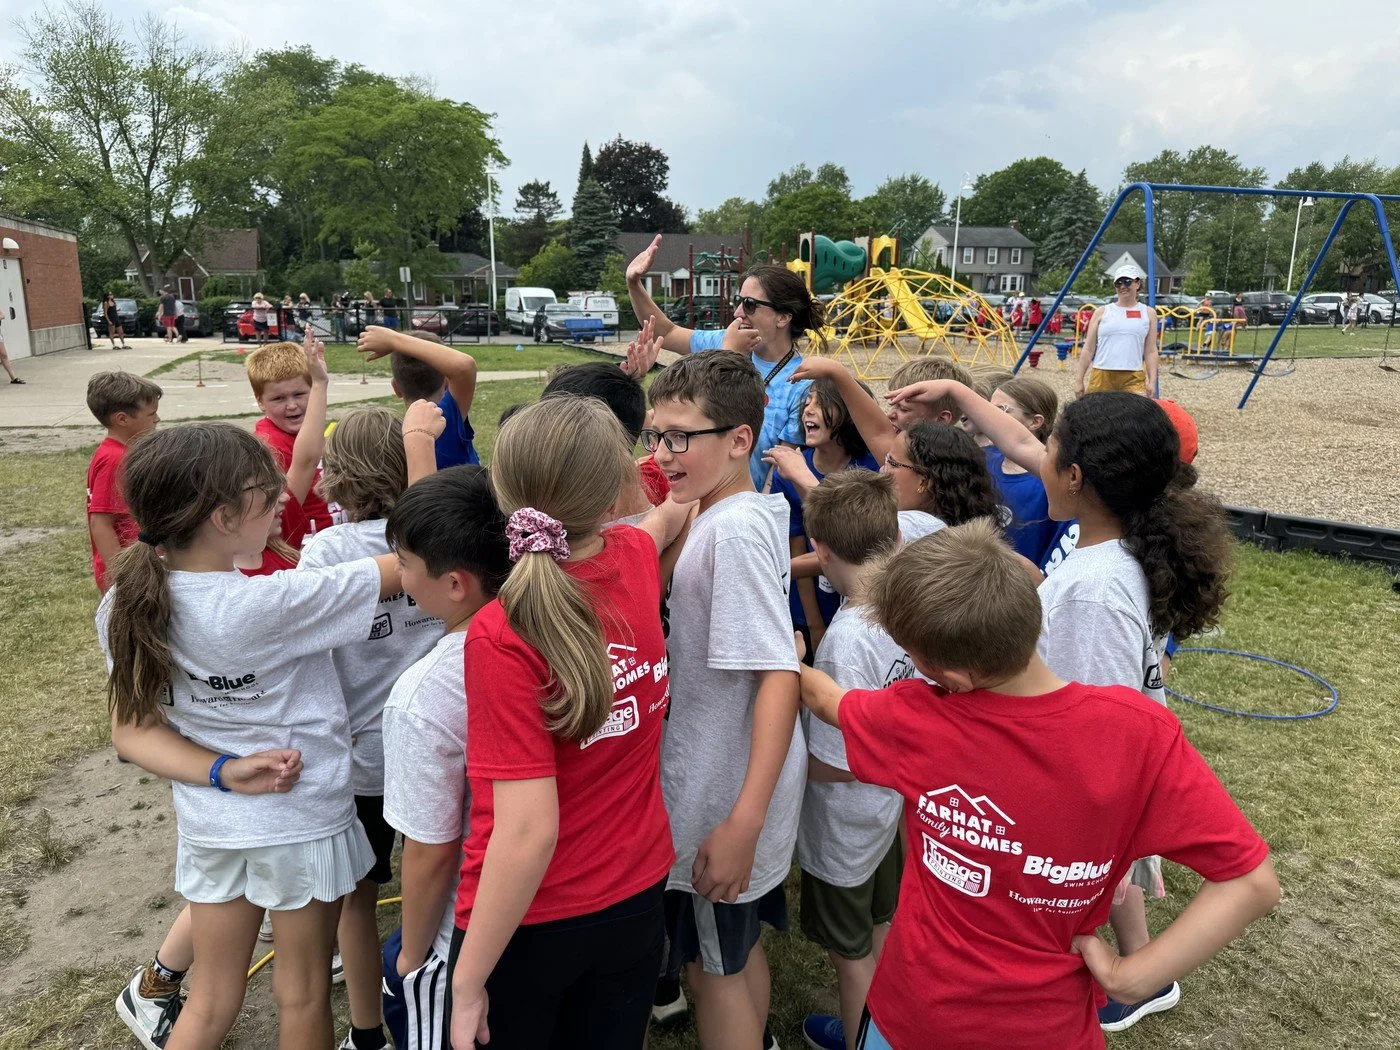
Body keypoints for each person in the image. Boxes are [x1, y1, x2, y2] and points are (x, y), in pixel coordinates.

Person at [798, 519, 1279, 1050]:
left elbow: (827, 701)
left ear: (951, 678)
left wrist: (792, 660)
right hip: (1051, 1030)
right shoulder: (1138, 733)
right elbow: (1251, 882)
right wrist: (1133, 977)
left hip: (913, 1016)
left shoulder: (918, 719)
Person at [886, 381, 1235, 1032]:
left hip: (1060, 804)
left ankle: (1125, 983)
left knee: (1086, 902)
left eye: (1049, 452)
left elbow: (1092, 724)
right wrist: (960, 393)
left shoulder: (1097, 593)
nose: (1028, 456)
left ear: (1075, 476)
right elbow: (1018, 440)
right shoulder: (1112, 536)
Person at [97, 422, 405, 1050]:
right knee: (303, 993)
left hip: (215, 825)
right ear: (225, 515)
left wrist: (220, 770)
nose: (284, 502)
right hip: (303, 826)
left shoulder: (124, 605)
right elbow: (417, 564)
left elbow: (132, 733)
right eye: (269, 496)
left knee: (210, 998)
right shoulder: (270, 604)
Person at [447, 397, 689, 1050]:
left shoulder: (502, 630)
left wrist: (466, 984)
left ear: (504, 491)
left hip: (529, 920)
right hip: (636, 895)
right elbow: (666, 505)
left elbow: (527, 830)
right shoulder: (635, 556)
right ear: (615, 494)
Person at [645, 352, 802, 1050]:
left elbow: (778, 675)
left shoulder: (732, 532)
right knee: (732, 955)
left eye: (682, 437)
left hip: (720, 794)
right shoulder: (733, 507)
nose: (664, 453)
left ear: (739, 440)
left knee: (713, 972)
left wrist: (742, 820)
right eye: (655, 435)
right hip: (722, 779)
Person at [300, 404, 449, 1050]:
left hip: (360, 761)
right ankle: (437, 1000)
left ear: (342, 472)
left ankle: (367, 1035)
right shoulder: (442, 541)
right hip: (438, 752)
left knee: (356, 902)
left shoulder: (327, 551)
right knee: (439, 881)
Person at [379, 466, 511, 1050]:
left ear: (456, 583)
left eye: (404, 562)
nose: (399, 576)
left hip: (466, 927)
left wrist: (411, 952)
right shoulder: (564, 625)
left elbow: (430, 852)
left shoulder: (424, 694)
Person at [792, 470, 910, 1050]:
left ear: (822, 552)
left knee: (850, 954)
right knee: (881, 924)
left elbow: (841, 758)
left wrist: (788, 762)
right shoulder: (903, 610)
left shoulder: (843, 642)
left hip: (844, 828)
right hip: (888, 813)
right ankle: (885, 1026)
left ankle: (864, 1039)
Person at [625, 234, 822, 490]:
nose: (738, 313)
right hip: (686, 487)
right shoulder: (727, 339)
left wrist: (731, 356)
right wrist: (634, 283)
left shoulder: (800, 383)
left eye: (750, 305)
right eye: (739, 302)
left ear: (783, 317)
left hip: (734, 499)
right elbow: (669, 332)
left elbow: (777, 473)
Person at [762, 377, 878, 654]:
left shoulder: (872, 466)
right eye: (808, 401)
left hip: (864, 602)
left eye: (821, 402)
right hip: (810, 604)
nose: (808, 410)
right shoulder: (789, 470)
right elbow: (797, 544)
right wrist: (814, 624)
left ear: (850, 411)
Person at [788, 353, 973, 467]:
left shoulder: (918, 463)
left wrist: (837, 372)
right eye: (892, 404)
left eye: (903, 408)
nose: (890, 414)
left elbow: (878, 432)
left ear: (942, 420)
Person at [246, 338, 338, 546]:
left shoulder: (311, 431)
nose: (292, 406)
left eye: (299, 394)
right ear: (260, 401)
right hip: (303, 549)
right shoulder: (269, 446)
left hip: (332, 539)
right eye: (278, 399)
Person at [359, 326, 481, 470]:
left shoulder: (388, 439)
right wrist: (393, 340)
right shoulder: (446, 422)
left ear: (396, 388)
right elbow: (464, 366)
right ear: (447, 383)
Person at [85, 371, 163, 593]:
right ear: (122, 419)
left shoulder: (120, 452)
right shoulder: (115, 460)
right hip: (129, 574)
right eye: (151, 414)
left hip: (140, 564)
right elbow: (100, 524)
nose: (157, 419)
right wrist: (124, 578)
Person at [986, 375, 1062, 565]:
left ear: (1035, 422)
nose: (988, 417)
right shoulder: (984, 458)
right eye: (988, 409)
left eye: (1001, 410)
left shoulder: (1050, 480)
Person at [1076, 263, 1157, 396]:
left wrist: (1152, 381)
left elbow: (1151, 350)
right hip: (1102, 373)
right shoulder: (1101, 312)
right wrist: (1079, 380)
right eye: (1118, 283)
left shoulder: (1148, 313)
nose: (1123, 286)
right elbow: (1088, 348)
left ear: (1137, 283)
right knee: (1098, 414)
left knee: (1133, 415)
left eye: (1127, 281)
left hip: (1133, 376)